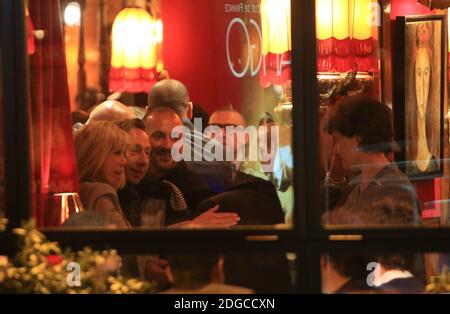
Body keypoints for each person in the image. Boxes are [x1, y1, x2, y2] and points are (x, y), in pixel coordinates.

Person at [324, 95, 421, 223]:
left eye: (338, 140)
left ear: (358, 138)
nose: (336, 150)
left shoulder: (396, 190)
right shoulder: (356, 183)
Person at [75, 121, 130, 227]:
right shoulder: (100, 192)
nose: (124, 161)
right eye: (117, 153)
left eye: (124, 154)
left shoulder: (77, 191)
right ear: (94, 155)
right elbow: (126, 241)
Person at [408, 22, 439, 175]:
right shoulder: (409, 161)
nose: (422, 83)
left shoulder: (435, 161)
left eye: (426, 73)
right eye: (418, 73)